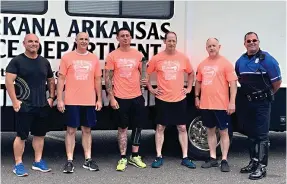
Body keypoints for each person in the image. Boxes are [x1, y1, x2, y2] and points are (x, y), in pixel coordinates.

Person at [5, 34, 55, 177]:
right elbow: (9, 82)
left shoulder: (44, 62)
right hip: (25, 105)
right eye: (30, 41)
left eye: (36, 41)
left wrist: (51, 97)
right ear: (24, 44)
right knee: (21, 136)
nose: (33, 44)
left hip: (41, 105)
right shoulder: (17, 61)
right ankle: (18, 164)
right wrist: (15, 101)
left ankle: (37, 162)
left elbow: (51, 80)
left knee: (40, 135)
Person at [235, 32, 282, 180]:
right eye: (248, 41)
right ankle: (253, 162)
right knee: (251, 134)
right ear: (244, 44)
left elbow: (277, 82)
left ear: (259, 42)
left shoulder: (267, 59)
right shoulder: (240, 61)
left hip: (262, 103)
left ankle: (262, 167)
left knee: (262, 135)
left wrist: (265, 94)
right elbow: (240, 78)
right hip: (248, 102)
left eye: (254, 40)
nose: (252, 43)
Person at [146, 31, 196, 169]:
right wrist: (151, 88)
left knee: (182, 127)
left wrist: (189, 88)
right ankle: (158, 156)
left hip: (179, 98)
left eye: (174, 41)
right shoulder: (157, 58)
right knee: (160, 127)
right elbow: (146, 74)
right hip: (162, 98)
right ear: (165, 42)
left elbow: (191, 73)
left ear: (176, 42)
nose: (171, 43)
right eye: (169, 41)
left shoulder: (182, 58)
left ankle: (185, 157)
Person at [57, 32, 103, 173]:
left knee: (87, 130)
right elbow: (61, 79)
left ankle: (88, 160)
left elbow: (97, 80)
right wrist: (60, 99)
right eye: (81, 39)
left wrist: (99, 99)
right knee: (71, 130)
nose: (83, 41)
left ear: (88, 42)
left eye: (86, 39)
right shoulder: (67, 57)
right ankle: (69, 160)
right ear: (75, 41)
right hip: (71, 100)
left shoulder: (94, 59)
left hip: (89, 100)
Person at [104, 27, 147, 172]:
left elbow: (143, 72)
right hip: (120, 98)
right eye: (122, 36)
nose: (125, 38)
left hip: (136, 97)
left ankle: (135, 156)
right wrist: (111, 97)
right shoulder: (112, 56)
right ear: (117, 38)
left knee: (138, 127)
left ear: (131, 38)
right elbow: (107, 78)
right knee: (122, 128)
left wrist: (143, 82)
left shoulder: (138, 54)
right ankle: (123, 157)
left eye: (127, 36)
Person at [194, 38, 238, 172]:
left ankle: (224, 159)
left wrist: (232, 102)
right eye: (209, 46)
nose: (211, 48)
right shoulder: (202, 64)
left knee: (224, 132)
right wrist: (197, 97)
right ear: (206, 48)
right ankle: (212, 158)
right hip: (206, 104)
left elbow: (233, 84)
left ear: (219, 47)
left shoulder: (226, 64)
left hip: (222, 105)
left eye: (214, 45)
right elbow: (198, 82)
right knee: (210, 131)